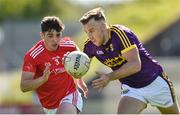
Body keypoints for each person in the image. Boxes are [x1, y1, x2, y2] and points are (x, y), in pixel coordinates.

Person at [79, 7, 180, 114]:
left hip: (154, 81)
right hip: (132, 89)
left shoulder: (121, 34)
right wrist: (70, 62)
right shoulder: (90, 45)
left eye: (91, 31)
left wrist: (109, 77)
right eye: (86, 32)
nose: (89, 36)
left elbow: (135, 65)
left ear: (103, 27)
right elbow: (80, 65)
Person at [20, 16, 88, 114]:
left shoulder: (70, 46)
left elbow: (81, 62)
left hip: (70, 95)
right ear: (42, 35)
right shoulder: (32, 56)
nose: (55, 40)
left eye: (58, 35)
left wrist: (79, 79)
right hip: (49, 107)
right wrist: (42, 79)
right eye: (50, 35)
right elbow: (24, 86)